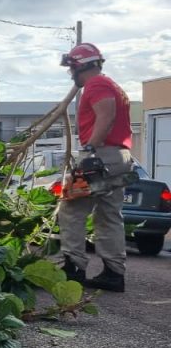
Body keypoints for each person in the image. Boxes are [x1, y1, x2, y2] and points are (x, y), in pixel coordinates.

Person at [58, 42, 133, 292]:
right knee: (109, 215)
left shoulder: (97, 84)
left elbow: (106, 115)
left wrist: (92, 147)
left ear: (81, 66)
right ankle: (114, 273)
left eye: (72, 68)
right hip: (118, 157)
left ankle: (73, 268)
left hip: (100, 155)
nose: (71, 74)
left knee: (71, 209)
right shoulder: (113, 85)